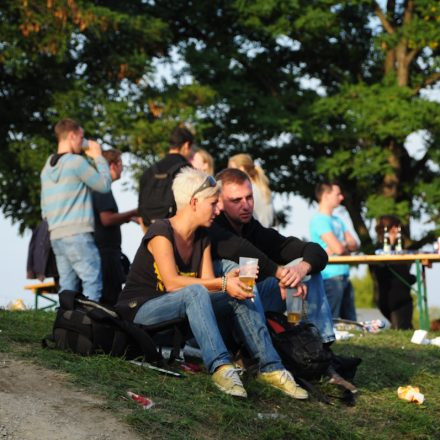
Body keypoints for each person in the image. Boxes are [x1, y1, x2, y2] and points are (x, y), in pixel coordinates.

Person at [116, 167, 308, 400]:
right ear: (195, 202)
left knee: (241, 290)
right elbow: (172, 284)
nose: (218, 210)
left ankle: (271, 367)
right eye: (213, 203)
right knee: (195, 291)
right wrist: (224, 282)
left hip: (179, 308)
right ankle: (221, 367)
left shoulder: (202, 236)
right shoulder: (161, 230)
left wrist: (232, 282)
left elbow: (209, 283)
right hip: (140, 309)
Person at [210, 168, 335, 345]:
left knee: (305, 270)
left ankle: (317, 345)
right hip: (219, 312)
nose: (246, 205)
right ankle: (255, 350)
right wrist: (279, 274)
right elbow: (240, 249)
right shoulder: (211, 226)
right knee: (246, 269)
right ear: (220, 201)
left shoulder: (253, 229)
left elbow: (315, 250)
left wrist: (299, 270)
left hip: (256, 301)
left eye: (249, 197)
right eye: (236, 200)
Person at [40, 118, 112, 301]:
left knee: (67, 286)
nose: (83, 141)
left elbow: (44, 210)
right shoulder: (76, 162)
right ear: (71, 135)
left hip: (56, 235)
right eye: (81, 137)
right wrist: (98, 157)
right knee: (92, 282)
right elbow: (104, 185)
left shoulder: (46, 168)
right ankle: (87, 326)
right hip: (78, 234)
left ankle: (64, 325)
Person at [92, 149, 138, 306]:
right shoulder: (102, 188)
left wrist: (130, 218)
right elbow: (106, 219)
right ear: (112, 165)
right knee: (110, 300)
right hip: (106, 254)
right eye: (121, 164)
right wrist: (133, 212)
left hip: (104, 252)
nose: (122, 169)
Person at [310, 181, 359, 321]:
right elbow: (339, 248)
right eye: (338, 194)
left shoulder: (338, 220)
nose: (342, 197)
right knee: (331, 321)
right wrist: (342, 246)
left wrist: (340, 246)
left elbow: (355, 244)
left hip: (344, 276)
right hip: (329, 277)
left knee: (350, 322)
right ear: (326, 195)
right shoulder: (319, 220)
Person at [138, 125, 195, 232]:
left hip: (151, 231)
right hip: (176, 232)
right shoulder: (186, 170)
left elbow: (141, 211)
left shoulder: (149, 172)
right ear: (186, 145)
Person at [371, 215, 415, 329]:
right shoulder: (385, 251)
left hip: (384, 298)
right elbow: (401, 276)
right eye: (396, 229)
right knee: (403, 327)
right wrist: (412, 278)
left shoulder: (376, 250)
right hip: (398, 298)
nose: (398, 232)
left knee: (402, 326)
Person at [228, 153, 274, 227]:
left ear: (242, 169)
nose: (228, 173)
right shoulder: (262, 188)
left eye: (232, 169)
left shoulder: (247, 190)